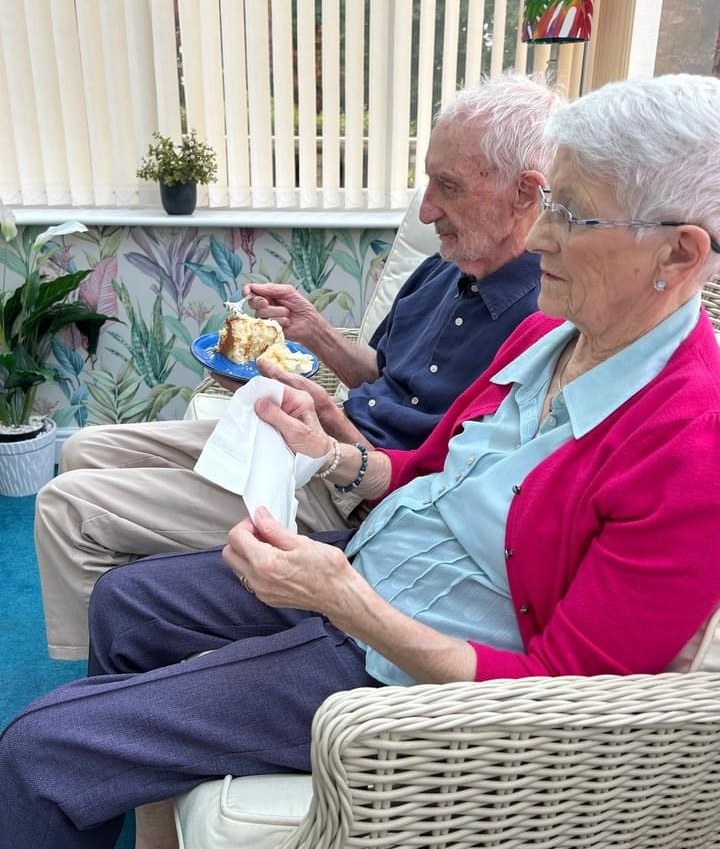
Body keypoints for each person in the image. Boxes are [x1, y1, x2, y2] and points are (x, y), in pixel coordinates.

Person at [3, 71, 720, 849]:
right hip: (373, 565)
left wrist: (345, 600)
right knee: (126, 602)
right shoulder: (550, 334)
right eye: (549, 206)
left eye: (571, 216)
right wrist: (335, 454)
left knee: (39, 752)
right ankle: (146, 814)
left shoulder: (692, 448)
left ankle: (95, 766)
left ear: (678, 253)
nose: (541, 237)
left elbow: (568, 702)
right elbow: (426, 471)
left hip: (409, 667)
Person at [34, 72, 563, 661]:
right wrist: (313, 329)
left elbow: (463, 482)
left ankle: (99, 671)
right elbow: (379, 372)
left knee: (68, 508)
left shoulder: (545, 323)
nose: (429, 207)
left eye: (447, 186)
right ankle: (139, 626)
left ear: (525, 192)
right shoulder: (446, 266)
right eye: (427, 183)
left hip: (350, 486)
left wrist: (335, 439)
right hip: (314, 438)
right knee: (81, 450)